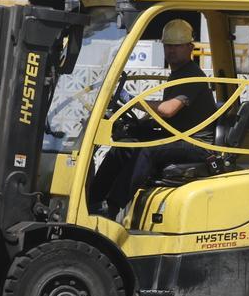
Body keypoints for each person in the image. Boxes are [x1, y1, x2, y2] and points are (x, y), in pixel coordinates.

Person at [89, 19, 219, 218]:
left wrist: (134, 101)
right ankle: (91, 200)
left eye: (177, 46)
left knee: (147, 151)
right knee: (124, 146)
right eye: (168, 46)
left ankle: (112, 208)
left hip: (196, 144)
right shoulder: (178, 74)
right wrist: (137, 126)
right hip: (179, 137)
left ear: (190, 47)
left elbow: (168, 110)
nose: (171, 51)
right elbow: (169, 117)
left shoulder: (192, 76)